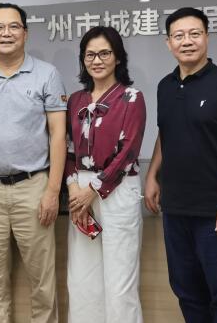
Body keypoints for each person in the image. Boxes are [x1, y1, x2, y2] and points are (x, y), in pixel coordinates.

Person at [0, 3, 67, 323]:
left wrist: (52, 191)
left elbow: (58, 135)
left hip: (33, 187)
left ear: (25, 33)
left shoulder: (47, 74)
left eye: (14, 26)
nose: (6, 33)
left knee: (42, 278)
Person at [144, 7, 217, 323]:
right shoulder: (165, 86)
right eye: (179, 35)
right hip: (175, 210)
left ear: (207, 37)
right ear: (168, 43)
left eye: (194, 34)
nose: (187, 41)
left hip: (216, 212)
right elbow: (166, 133)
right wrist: (152, 175)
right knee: (186, 292)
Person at [65, 26, 147, 323]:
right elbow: (68, 149)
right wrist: (74, 188)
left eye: (104, 53)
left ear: (118, 57)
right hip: (80, 191)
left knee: (119, 280)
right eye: (90, 55)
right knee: (82, 278)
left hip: (117, 189)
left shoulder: (131, 97)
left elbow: (129, 151)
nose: (97, 60)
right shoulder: (75, 99)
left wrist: (94, 190)